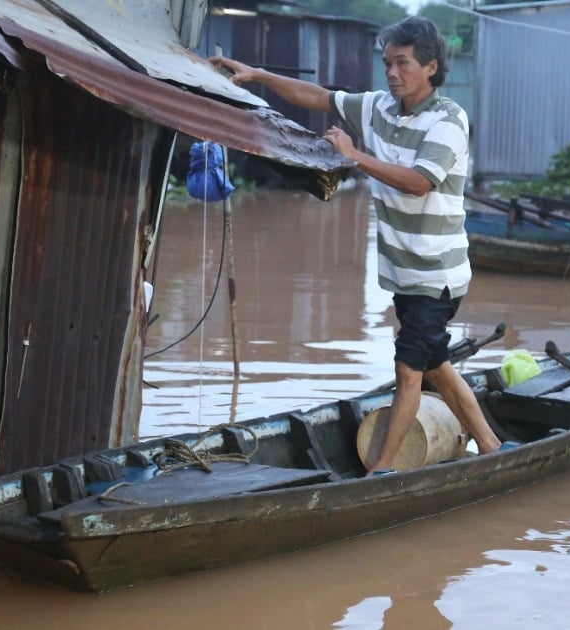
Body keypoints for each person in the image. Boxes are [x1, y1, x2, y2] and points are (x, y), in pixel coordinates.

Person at [210, 17, 505, 472]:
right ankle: (489, 444)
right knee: (433, 364)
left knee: (408, 372)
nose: (391, 72)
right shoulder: (378, 108)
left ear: (430, 67)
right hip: (403, 272)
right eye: (387, 63)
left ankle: (379, 469)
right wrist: (258, 76)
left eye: (402, 63)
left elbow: (418, 183)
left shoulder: (448, 119)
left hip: (435, 274)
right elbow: (318, 96)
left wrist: (354, 156)